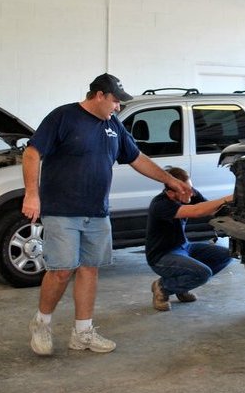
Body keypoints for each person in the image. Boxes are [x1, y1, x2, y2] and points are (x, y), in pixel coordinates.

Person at [22, 73, 192, 356]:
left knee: (90, 268)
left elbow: (137, 158)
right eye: (115, 102)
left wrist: (170, 181)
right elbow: (32, 153)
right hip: (62, 209)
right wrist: (31, 193)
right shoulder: (63, 117)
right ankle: (42, 322)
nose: (117, 108)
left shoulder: (113, 125)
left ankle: (83, 332)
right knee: (62, 270)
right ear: (99, 95)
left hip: (97, 211)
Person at [146, 167, 233, 311]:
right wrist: (227, 198)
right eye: (185, 190)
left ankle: (182, 286)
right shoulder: (160, 205)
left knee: (227, 255)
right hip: (162, 256)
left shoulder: (188, 193)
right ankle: (163, 287)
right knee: (203, 273)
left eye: (190, 188)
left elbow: (210, 209)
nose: (191, 193)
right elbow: (197, 211)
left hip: (184, 247)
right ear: (170, 192)